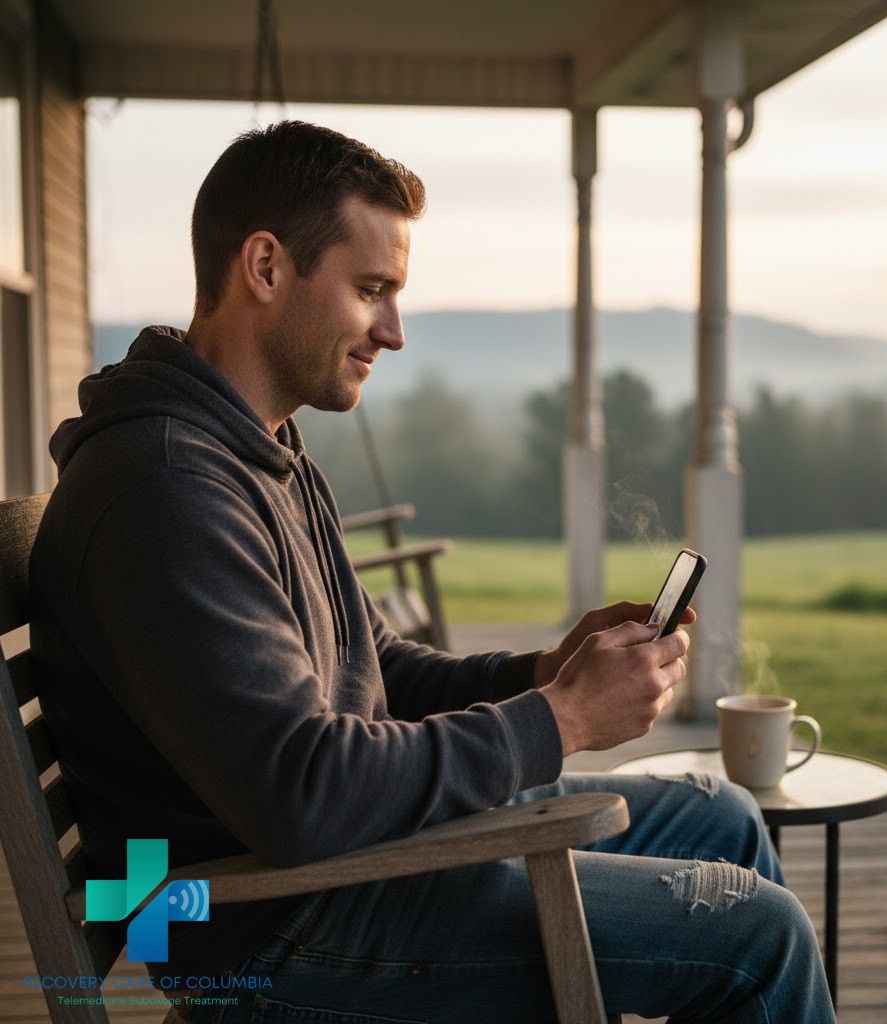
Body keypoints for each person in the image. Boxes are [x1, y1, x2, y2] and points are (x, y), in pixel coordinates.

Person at [30, 120, 835, 1024]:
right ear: (265, 267)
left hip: (333, 868)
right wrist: (562, 719)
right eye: (371, 288)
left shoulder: (259, 454)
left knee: (720, 811)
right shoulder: (167, 488)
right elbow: (304, 793)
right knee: (759, 937)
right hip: (260, 926)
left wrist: (541, 676)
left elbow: (383, 673)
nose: (395, 330)